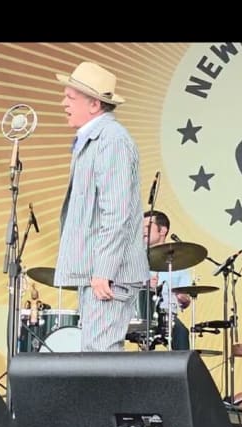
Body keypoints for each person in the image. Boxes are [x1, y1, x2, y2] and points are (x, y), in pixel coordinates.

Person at [52, 61, 149, 352]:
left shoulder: (112, 140)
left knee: (100, 356)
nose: (64, 103)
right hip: (100, 271)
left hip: (110, 274)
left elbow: (116, 213)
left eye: (71, 97)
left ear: (94, 104)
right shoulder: (95, 139)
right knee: (96, 356)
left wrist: (103, 270)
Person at [142, 210, 191, 350]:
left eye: (147, 226)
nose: (143, 231)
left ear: (162, 230)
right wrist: (144, 286)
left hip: (164, 315)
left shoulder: (179, 262)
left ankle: (181, 365)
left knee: (181, 332)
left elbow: (186, 300)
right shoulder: (134, 257)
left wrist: (183, 299)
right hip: (137, 311)